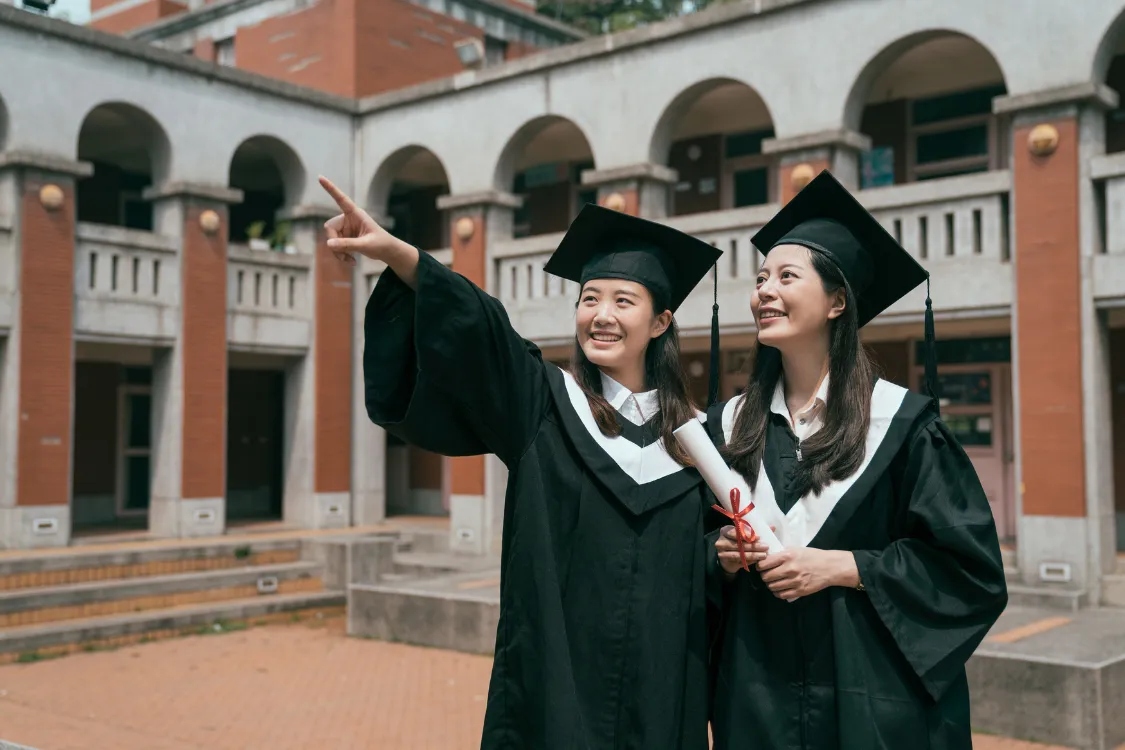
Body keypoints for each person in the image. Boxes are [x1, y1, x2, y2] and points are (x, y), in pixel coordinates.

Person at [316, 175, 725, 749]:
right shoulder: (544, 403)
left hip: (662, 695)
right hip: (553, 693)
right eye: (589, 299)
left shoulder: (700, 445)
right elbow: (481, 330)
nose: (601, 315)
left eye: (623, 301)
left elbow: (712, 569)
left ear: (661, 323)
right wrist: (399, 254)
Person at [704, 170, 1008, 750]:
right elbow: (687, 555)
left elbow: (968, 571)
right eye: (761, 277)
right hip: (755, 697)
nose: (764, 290)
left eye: (786, 277)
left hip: (869, 698)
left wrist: (846, 567)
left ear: (838, 300)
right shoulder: (728, 427)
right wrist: (719, 558)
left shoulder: (903, 425)